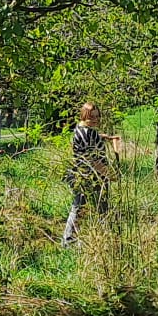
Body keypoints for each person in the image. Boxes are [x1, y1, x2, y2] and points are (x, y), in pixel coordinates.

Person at [60, 102, 122, 247]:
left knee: (86, 207)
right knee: (88, 208)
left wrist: (103, 137)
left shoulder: (81, 129)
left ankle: (99, 239)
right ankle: (70, 241)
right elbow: (92, 161)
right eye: (91, 117)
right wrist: (111, 175)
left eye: (97, 116)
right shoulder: (88, 133)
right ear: (84, 115)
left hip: (84, 175)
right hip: (89, 176)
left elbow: (88, 140)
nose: (95, 119)